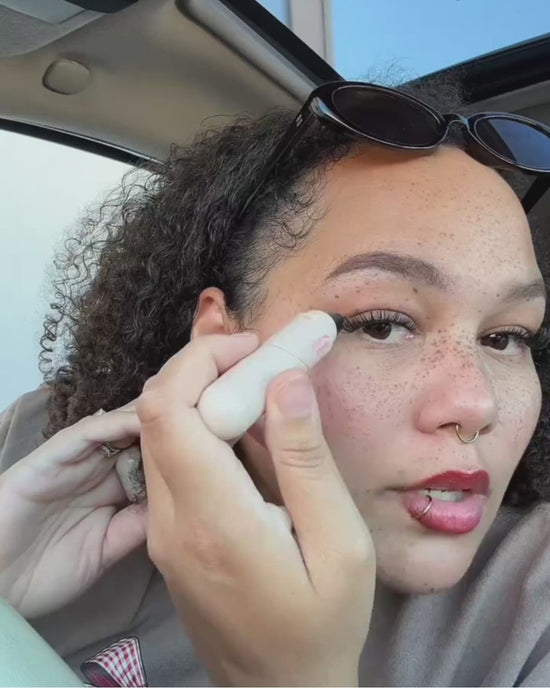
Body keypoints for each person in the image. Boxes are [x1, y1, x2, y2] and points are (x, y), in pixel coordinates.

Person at [1, 77, 550, 687]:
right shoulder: (36, 446)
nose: (477, 403)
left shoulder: (533, 607)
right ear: (221, 337)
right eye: (383, 325)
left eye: (507, 337)